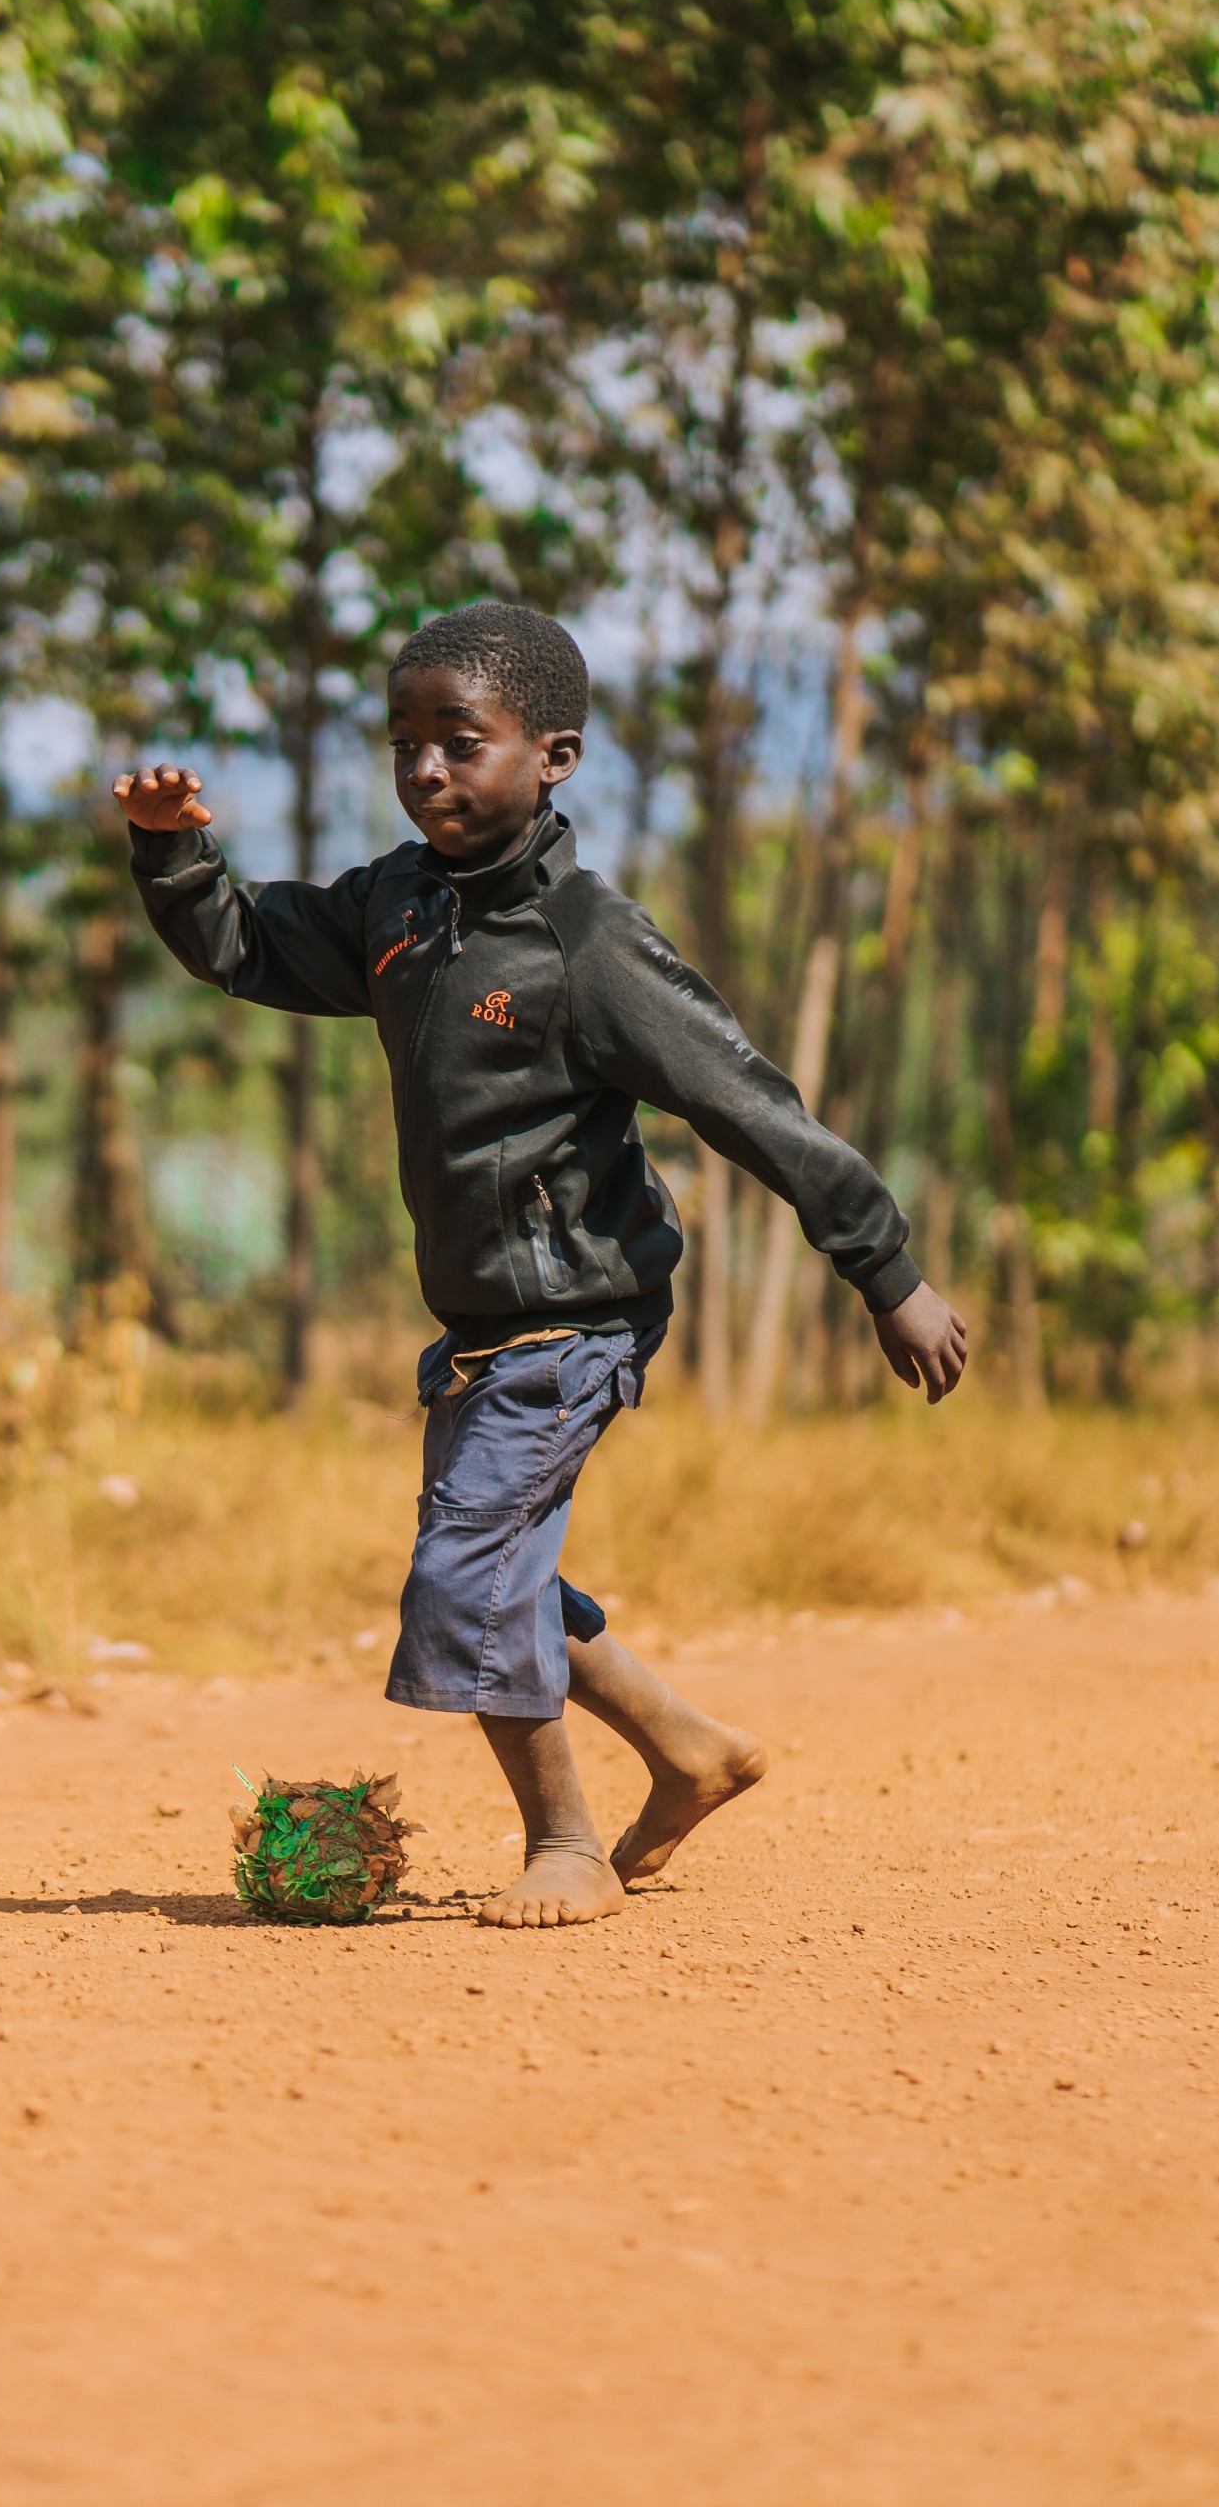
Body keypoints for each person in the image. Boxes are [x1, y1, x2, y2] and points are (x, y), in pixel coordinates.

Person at [114, 602, 967, 1929]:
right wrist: (173, 853)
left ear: (553, 756)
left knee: (467, 1577)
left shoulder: (589, 944)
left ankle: (565, 1844)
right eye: (404, 744)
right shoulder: (397, 907)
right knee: (494, 1568)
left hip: (577, 1316)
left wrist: (886, 1269)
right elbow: (248, 944)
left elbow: (749, 1106)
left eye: (459, 743)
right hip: (478, 1324)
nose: (425, 770)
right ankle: (687, 1749)